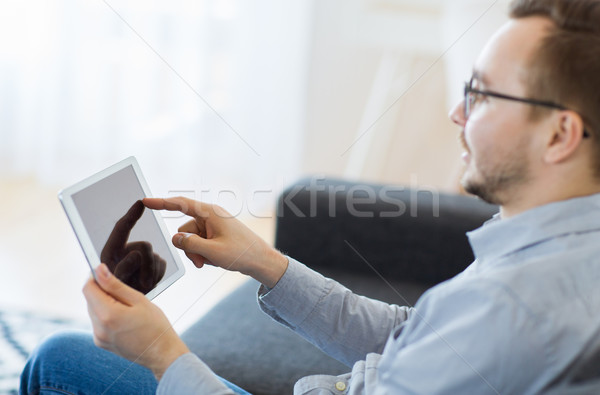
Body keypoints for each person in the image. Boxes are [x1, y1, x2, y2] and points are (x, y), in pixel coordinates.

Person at [20, 0, 600, 393]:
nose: (457, 113)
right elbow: (415, 338)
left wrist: (162, 354)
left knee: (58, 359)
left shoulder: (517, 306)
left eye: (482, 95)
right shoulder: (556, 246)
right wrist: (267, 265)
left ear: (560, 134)